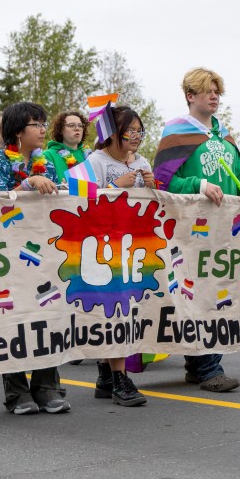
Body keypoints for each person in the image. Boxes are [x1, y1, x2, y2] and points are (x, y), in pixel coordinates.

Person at [152, 67, 240, 393]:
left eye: (217, 91)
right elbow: (162, 180)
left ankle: (197, 363)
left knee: (217, 292)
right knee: (199, 293)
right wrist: (198, 184)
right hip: (190, 229)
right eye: (208, 90)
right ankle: (209, 367)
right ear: (190, 95)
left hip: (228, 229)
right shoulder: (175, 133)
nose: (215, 96)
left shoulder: (224, 135)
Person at [0, 102, 70, 416]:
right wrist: (27, 184)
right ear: (18, 131)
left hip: (44, 251)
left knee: (47, 314)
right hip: (9, 254)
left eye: (44, 123)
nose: (43, 129)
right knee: (13, 318)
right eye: (36, 123)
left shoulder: (47, 162)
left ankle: (47, 387)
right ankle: (16, 392)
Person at [85, 105, 154, 406]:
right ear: (114, 133)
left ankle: (106, 372)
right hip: (103, 247)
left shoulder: (142, 162)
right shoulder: (95, 160)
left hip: (135, 248)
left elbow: (152, 206)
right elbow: (80, 198)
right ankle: (119, 379)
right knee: (115, 310)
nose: (137, 137)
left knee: (130, 310)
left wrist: (152, 187)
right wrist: (114, 186)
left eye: (140, 131)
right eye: (131, 131)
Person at [45, 110, 92, 177]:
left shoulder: (89, 155)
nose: (77, 128)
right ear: (61, 130)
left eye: (80, 125)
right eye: (71, 125)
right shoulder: (48, 155)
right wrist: (62, 187)